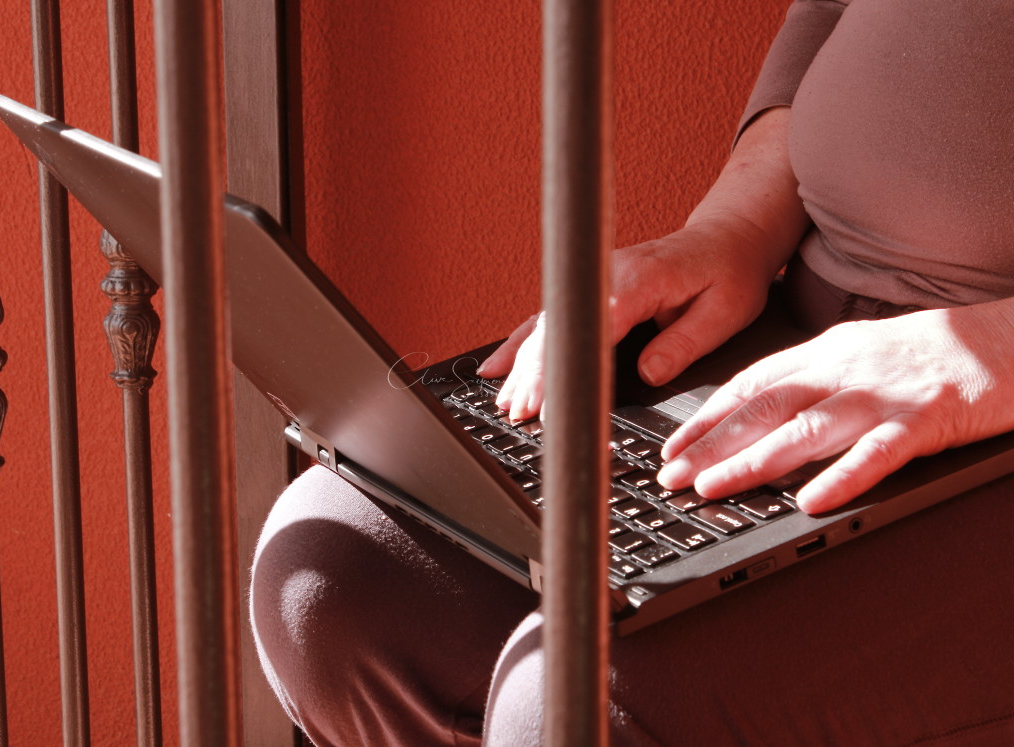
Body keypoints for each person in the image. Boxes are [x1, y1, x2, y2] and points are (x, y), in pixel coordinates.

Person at [251, 1, 1014, 743]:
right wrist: (738, 224)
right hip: (810, 320)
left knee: (572, 702)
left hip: (987, 393)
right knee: (333, 579)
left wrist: (992, 345)